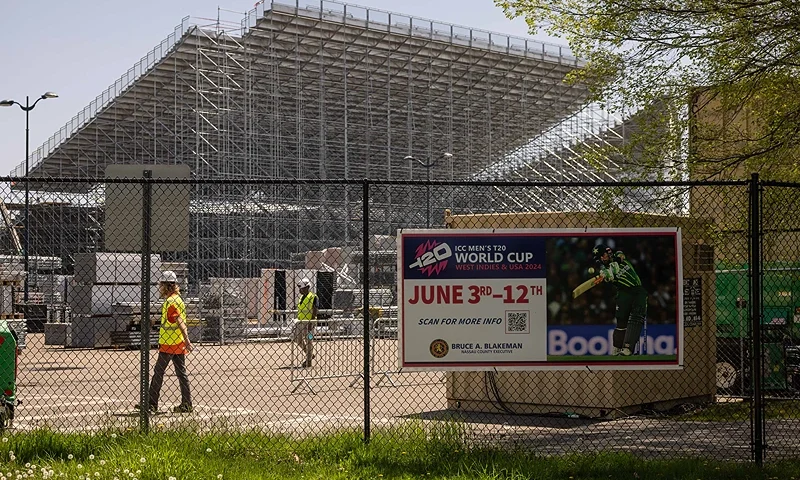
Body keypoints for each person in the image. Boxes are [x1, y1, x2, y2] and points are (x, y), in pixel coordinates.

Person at [142, 270, 194, 413]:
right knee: (181, 373)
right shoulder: (178, 299)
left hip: (169, 344)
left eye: (161, 285)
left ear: (165, 286)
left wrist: (188, 340)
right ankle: (187, 403)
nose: (159, 288)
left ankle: (151, 404)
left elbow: (179, 321)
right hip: (178, 342)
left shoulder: (170, 302)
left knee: (158, 373)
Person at [592, 244, 648, 356]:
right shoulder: (604, 270)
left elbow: (621, 256)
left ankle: (628, 348)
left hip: (637, 290)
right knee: (621, 321)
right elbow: (609, 277)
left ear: (608, 252)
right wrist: (608, 275)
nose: (601, 259)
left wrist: (615, 264)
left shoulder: (618, 254)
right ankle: (617, 347)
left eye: (602, 255)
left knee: (636, 317)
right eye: (599, 257)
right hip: (623, 293)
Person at [292, 278, 318, 368]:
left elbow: (315, 310)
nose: (300, 290)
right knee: (297, 339)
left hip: (310, 323)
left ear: (307, 287)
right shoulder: (301, 297)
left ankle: (308, 360)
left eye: (301, 288)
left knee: (309, 341)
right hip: (300, 322)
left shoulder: (313, 297)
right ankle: (309, 354)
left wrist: (311, 323)